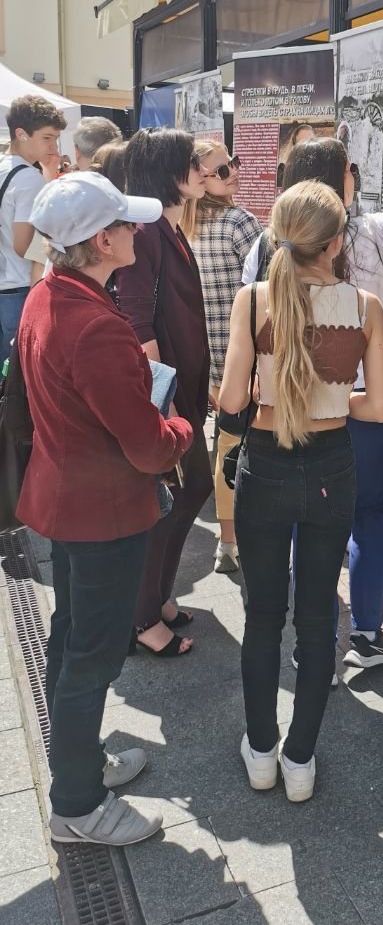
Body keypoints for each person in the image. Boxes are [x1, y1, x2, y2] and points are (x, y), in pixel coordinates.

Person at [241, 115, 383, 671]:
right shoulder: (374, 231)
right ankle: (366, 633)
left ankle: (309, 636)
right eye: (351, 169)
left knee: (299, 521)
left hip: (291, 405)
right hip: (370, 401)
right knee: (369, 515)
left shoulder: (265, 251)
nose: (357, 177)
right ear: (338, 180)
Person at [17, 172, 193, 845]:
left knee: (72, 639)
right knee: (91, 654)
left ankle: (80, 763)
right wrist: (179, 427)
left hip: (66, 497)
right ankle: (77, 805)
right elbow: (148, 449)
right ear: (99, 241)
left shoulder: (49, 294)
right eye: (124, 224)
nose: (136, 231)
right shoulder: (95, 325)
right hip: (103, 511)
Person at [220, 181, 383, 802]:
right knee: (318, 618)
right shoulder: (366, 307)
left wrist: (283, 391)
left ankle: (261, 749)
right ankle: (299, 760)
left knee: (262, 615)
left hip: (264, 463)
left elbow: (232, 401)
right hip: (330, 465)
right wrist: (326, 397)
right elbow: (377, 407)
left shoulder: (253, 301)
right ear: (337, 242)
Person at [115, 129, 211, 656]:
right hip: (167, 393)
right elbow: (135, 318)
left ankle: (156, 598)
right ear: (167, 169)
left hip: (184, 389)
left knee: (189, 490)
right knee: (173, 496)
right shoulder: (150, 230)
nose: (201, 168)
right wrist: (166, 398)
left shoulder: (167, 228)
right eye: (190, 160)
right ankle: (142, 616)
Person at [183, 142, 262, 574]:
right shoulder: (240, 222)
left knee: (224, 447)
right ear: (201, 178)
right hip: (244, 354)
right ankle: (249, 541)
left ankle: (225, 544)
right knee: (252, 449)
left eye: (232, 162)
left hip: (208, 356)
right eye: (219, 170)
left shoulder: (187, 225)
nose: (231, 172)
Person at [1, 95, 66, 365]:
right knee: (19, 381)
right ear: (21, 134)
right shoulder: (27, 177)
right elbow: (24, 245)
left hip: (6, 285)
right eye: (47, 137)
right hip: (19, 288)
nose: (53, 145)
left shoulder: (7, 168)